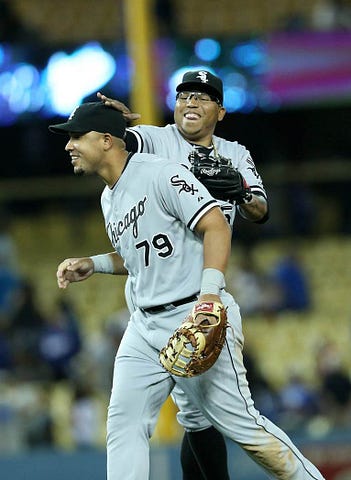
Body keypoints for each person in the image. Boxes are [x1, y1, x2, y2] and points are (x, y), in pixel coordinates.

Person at [49, 101, 325, 480]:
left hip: (192, 315)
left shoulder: (162, 174)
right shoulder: (109, 196)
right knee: (124, 425)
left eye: (77, 136)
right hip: (143, 327)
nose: (69, 145)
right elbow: (140, 254)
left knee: (247, 430)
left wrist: (210, 297)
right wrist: (92, 263)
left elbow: (216, 225)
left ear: (108, 140)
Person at [97, 69, 269, 479]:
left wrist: (242, 192)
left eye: (203, 97)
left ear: (221, 111)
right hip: (156, 297)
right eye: (184, 95)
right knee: (179, 417)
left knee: (207, 416)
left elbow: (261, 210)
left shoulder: (236, 153)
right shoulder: (156, 138)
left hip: (203, 292)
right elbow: (119, 145)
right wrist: (115, 124)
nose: (191, 102)